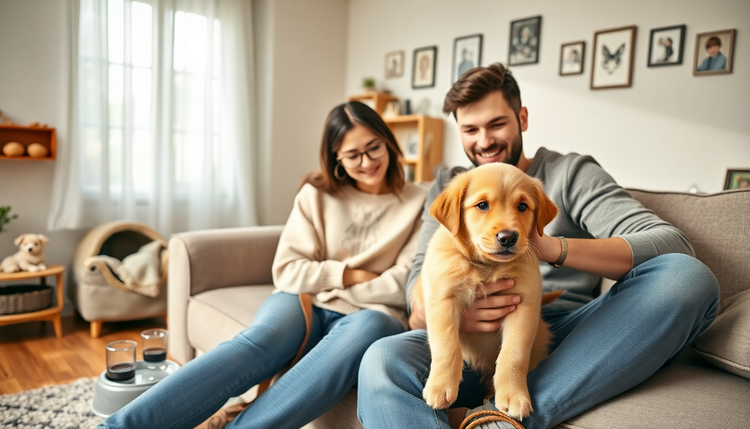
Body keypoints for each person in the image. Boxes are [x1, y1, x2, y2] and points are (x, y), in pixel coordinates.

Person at [357, 63, 719, 429]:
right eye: (470, 129)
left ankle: (499, 419)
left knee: (686, 278)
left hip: (563, 332)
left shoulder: (570, 174)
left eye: (496, 124)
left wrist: (551, 247)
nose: (484, 141)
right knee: (380, 357)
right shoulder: (450, 186)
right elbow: (418, 278)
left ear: (522, 118)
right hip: (463, 341)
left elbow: (671, 244)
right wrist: (448, 312)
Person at [98, 101, 426, 429]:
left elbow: (400, 283)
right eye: (353, 155)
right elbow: (287, 270)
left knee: (350, 346)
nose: (367, 162)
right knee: (255, 345)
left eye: (374, 148)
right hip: (303, 300)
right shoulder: (316, 195)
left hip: (373, 313)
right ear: (335, 158)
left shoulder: (419, 201)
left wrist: (321, 274)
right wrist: (347, 272)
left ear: (388, 141)